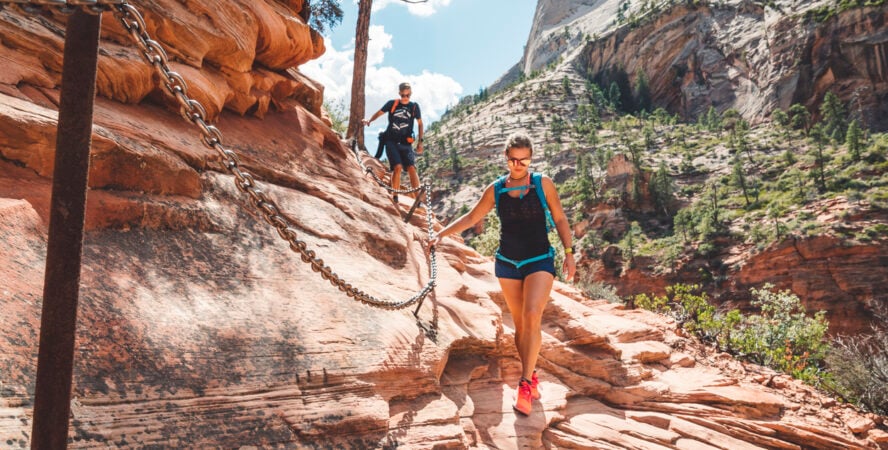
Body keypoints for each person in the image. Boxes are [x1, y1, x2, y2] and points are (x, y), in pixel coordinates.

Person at [428, 132, 576, 416]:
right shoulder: (496, 188)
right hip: (507, 262)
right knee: (521, 325)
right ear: (506, 158)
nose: (519, 164)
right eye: (514, 159)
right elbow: (472, 217)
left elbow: (559, 217)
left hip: (539, 259)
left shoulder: (542, 183)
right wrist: (441, 234)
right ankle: (531, 376)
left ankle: (524, 384)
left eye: (524, 160)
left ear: (531, 158)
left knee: (533, 316)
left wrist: (569, 253)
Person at [362, 82, 424, 203]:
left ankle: (418, 200)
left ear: (411, 94)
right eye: (403, 95)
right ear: (399, 93)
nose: (405, 98)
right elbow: (379, 113)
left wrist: (420, 142)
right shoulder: (392, 104)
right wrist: (369, 120)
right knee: (398, 167)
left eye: (408, 95)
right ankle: (395, 196)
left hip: (406, 143)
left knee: (412, 168)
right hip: (391, 141)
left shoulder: (414, 107)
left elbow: (420, 124)